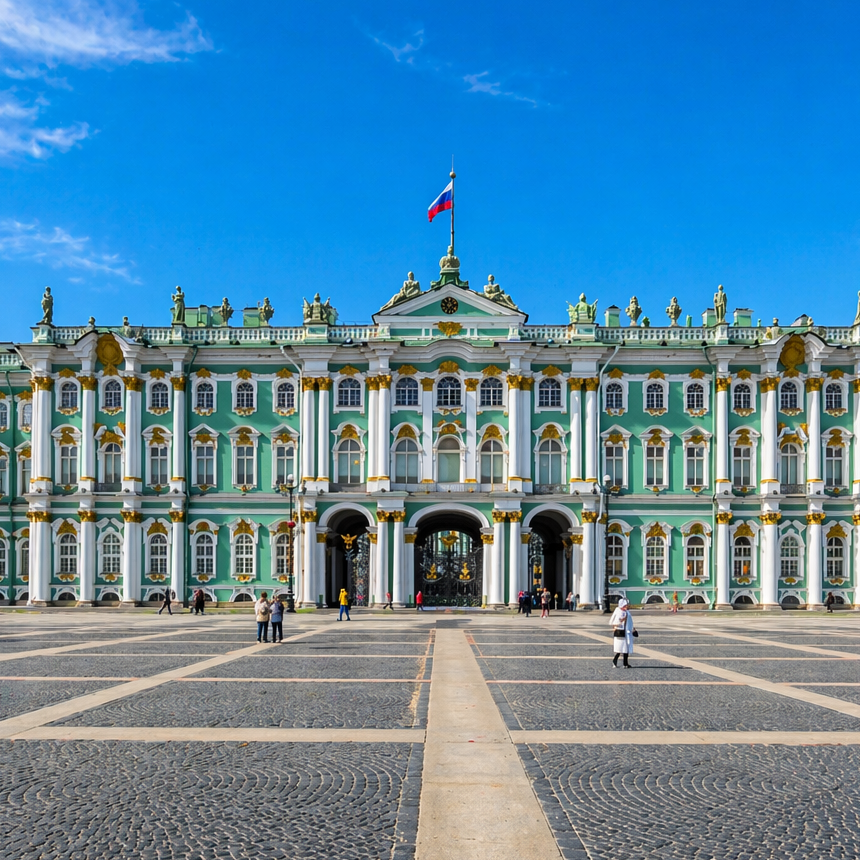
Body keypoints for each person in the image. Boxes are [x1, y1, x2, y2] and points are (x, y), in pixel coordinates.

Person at [609, 598, 634, 668]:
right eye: (625, 605)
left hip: (627, 632)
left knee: (626, 649)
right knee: (619, 649)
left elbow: (630, 621)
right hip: (620, 632)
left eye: (626, 605)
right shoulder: (618, 611)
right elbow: (611, 622)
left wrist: (633, 629)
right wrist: (618, 624)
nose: (627, 607)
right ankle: (615, 661)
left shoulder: (627, 612)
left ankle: (625, 663)